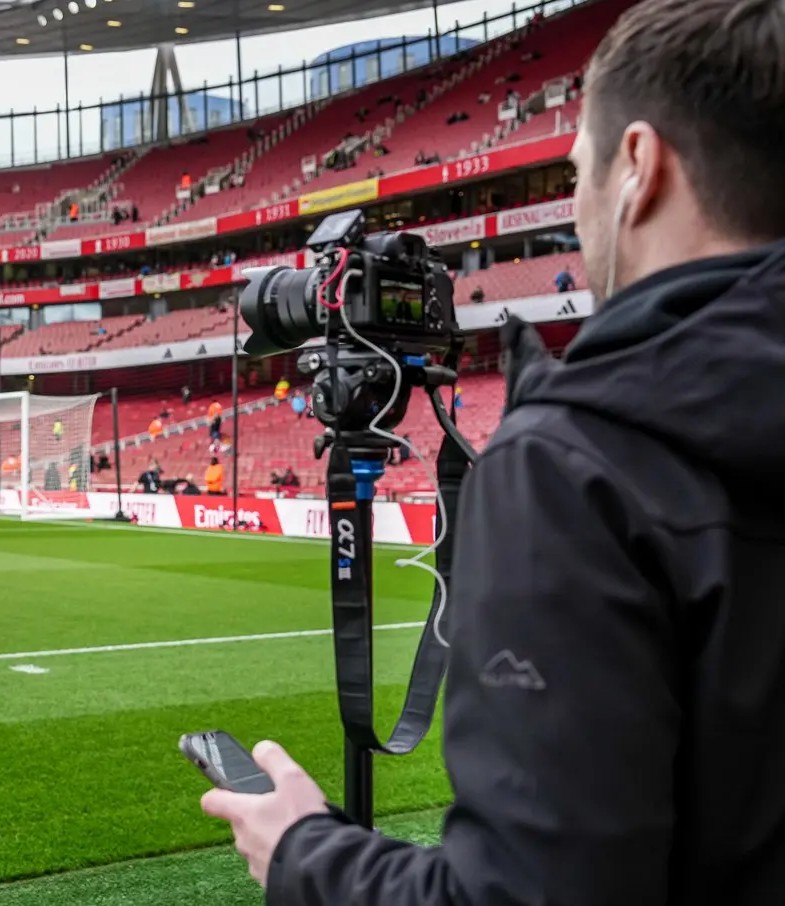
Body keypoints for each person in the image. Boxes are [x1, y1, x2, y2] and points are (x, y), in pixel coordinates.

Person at [200, 0, 785, 902]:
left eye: (576, 171)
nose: (579, 206)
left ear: (636, 165)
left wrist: (303, 854)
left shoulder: (581, 459)